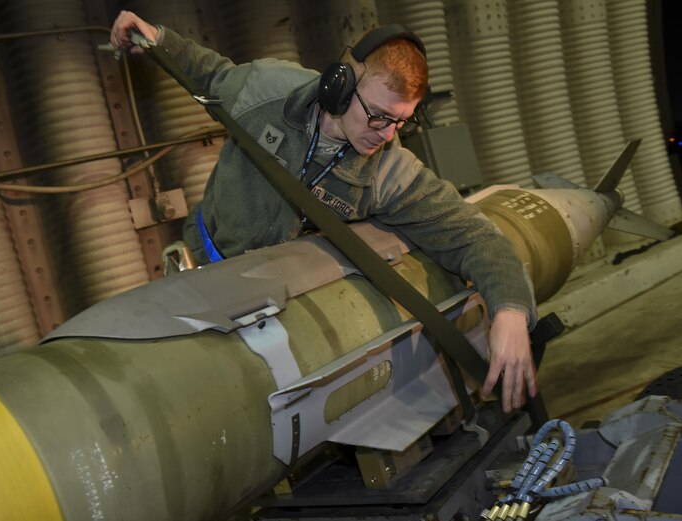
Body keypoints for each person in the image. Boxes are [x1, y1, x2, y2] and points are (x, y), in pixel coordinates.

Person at [110, 11, 538, 413]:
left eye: (402, 121)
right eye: (378, 116)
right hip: (199, 268)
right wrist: (157, 39)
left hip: (268, 308)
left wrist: (511, 311)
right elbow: (210, 73)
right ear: (340, 86)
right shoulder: (266, 92)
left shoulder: (388, 174)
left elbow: (473, 236)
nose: (387, 134)